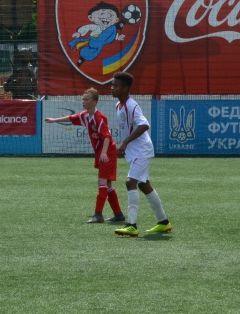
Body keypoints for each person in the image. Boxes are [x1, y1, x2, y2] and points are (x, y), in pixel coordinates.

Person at [44, 88, 125, 224]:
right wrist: (54, 120)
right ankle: (118, 214)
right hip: (102, 152)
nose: (83, 102)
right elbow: (71, 118)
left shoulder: (100, 117)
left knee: (102, 182)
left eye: (86, 99)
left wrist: (104, 152)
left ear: (94, 102)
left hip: (107, 151)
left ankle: (98, 215)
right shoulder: (86, 115)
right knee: (108, 184)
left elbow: (107, 137)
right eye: (83, 99)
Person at [110, 71, 171, 237]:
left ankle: (131, 225)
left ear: (125, 88)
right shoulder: (119, 106)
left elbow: (144, 125)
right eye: (112, 85)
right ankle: (163, 222)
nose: (112, 88)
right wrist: (124, 146)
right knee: (144, 185)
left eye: (115, 85)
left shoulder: (131, 105)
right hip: (135, 151)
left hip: (142, 149)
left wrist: (125, 143)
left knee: (130, 182)